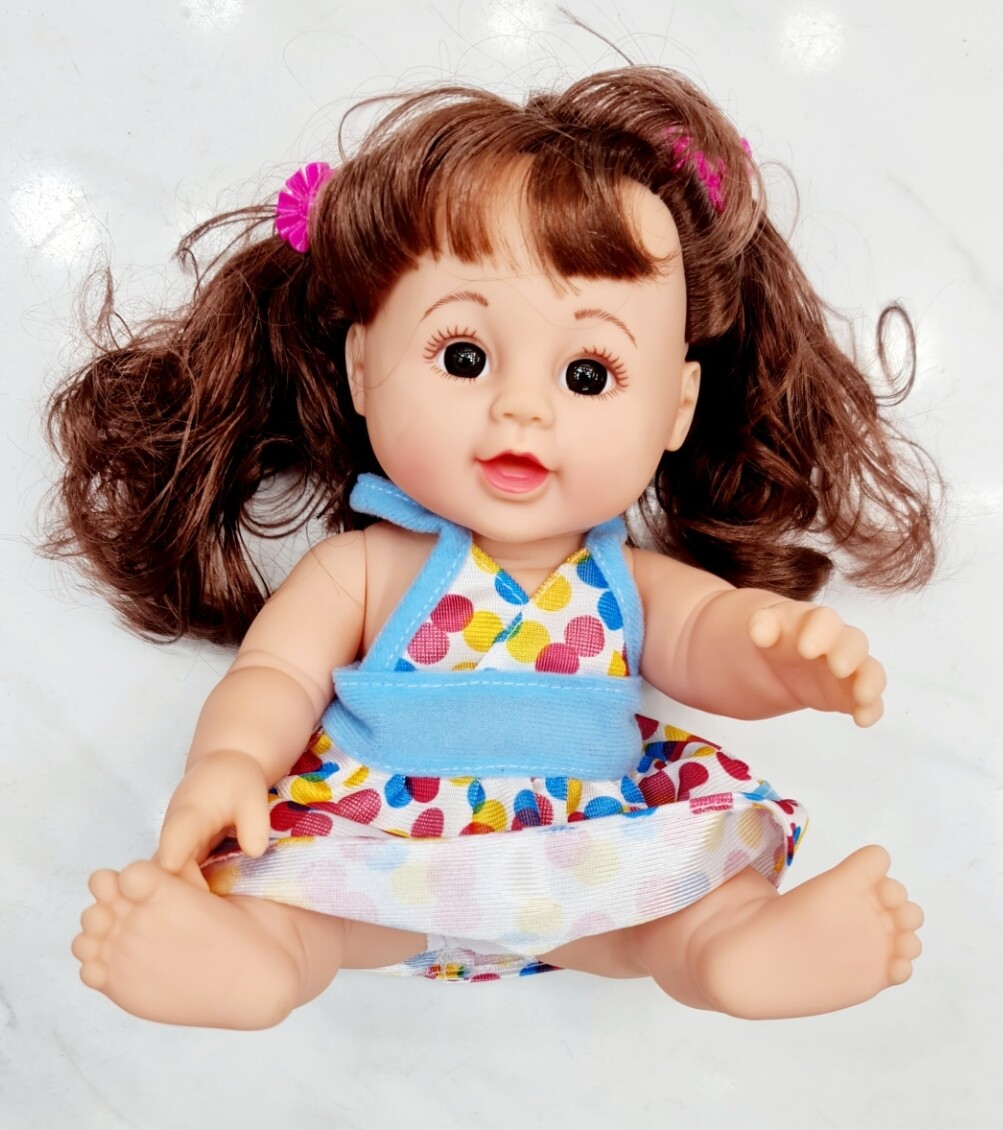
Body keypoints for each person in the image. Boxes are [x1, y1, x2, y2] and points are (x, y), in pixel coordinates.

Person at [50, 66, 935, 1029]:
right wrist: (226, 762)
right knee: (296, 915)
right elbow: (276, 674)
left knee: (682, 912)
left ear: (675, 408)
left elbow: (708, 638)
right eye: (464, 357)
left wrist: (780, 658)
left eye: (587, 374)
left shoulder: (631, 582)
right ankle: (249, 967)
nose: (521, 407)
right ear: (361, 368)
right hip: (376, 856)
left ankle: (734, 952)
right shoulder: (364, 568)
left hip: (591, 860)